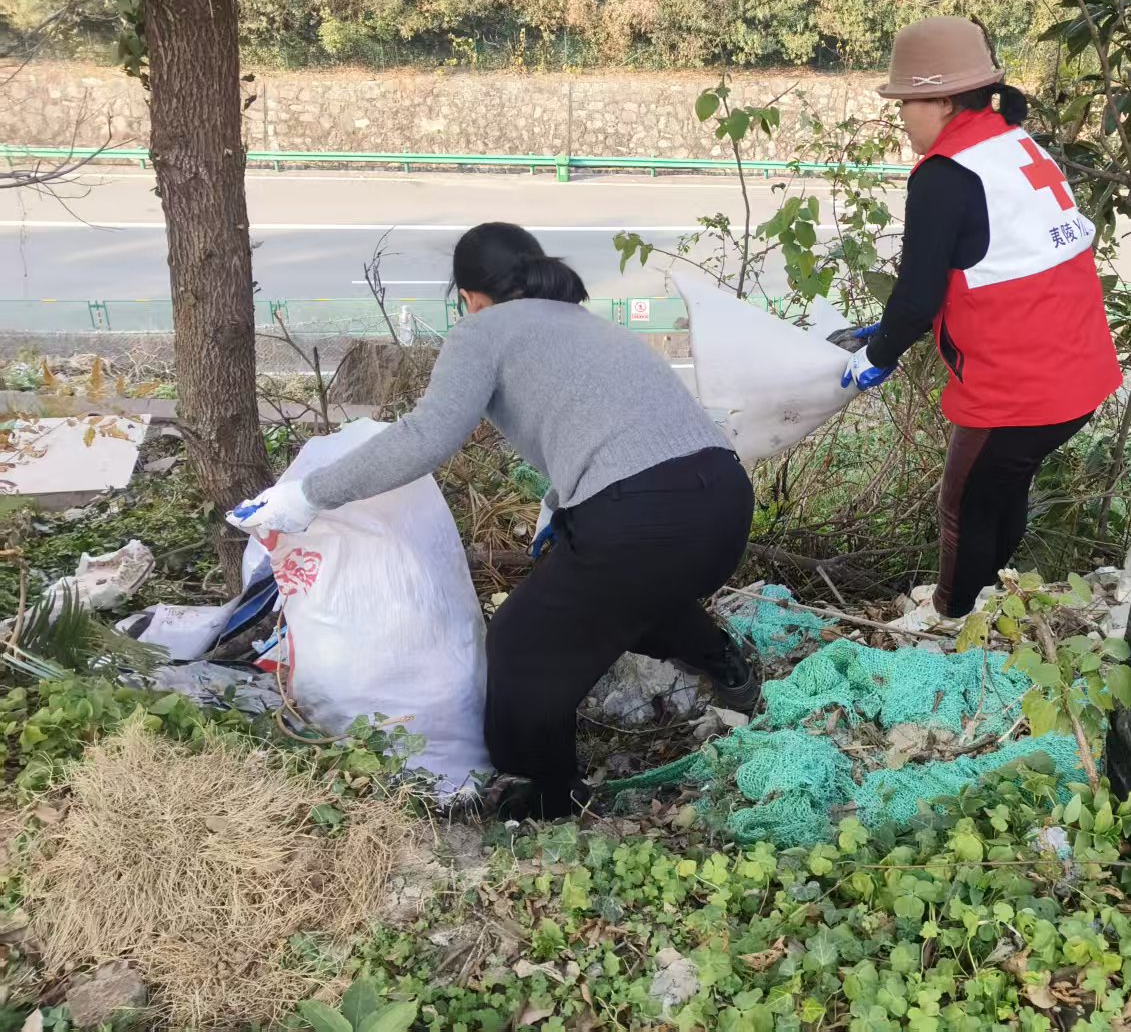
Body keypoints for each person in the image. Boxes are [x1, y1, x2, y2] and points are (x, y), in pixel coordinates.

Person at [232, 222, 759, 818]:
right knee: (624, 598)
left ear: (468, 296)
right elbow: (612, 427)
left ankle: (547, 799)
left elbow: (426, 436)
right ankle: (724, 661)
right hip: (723, 503)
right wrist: (563, 510)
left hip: (640, 514)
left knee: (517, 651)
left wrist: (308, 496)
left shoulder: (482, 330)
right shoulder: (587, 325)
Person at [840, 16, 1122, 618]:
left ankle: (954, 616)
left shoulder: (946, 177)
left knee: (964, 502)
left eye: (906, 102)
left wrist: (876, 356)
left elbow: (917, 297)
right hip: (1080, 374)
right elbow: (988, 262)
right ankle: (991, 600)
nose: (900, 116)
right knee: (1003, 485)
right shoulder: (1011, 143)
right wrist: (889, 329)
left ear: (942, 98)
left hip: (1021, 389)